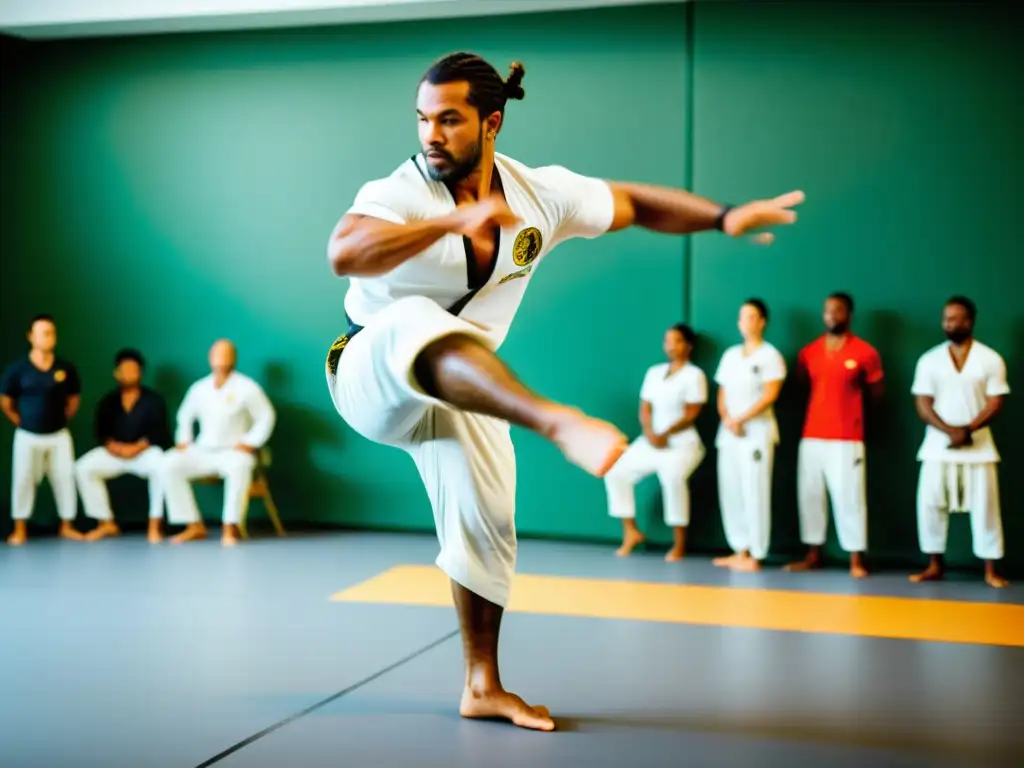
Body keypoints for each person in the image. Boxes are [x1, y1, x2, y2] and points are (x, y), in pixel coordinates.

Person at [324, 51, 803, 731]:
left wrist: (723, 217)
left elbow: (636, 204)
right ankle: (556, 422)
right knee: (411, 321)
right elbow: (343, 251)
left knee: (488, 517)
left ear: (491, 122)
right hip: (369, 368)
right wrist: (442, 225)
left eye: (450, 120)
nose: (431, 134)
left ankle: (483, 685)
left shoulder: (541, 194)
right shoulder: (399, 190)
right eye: (423, 119)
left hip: (468, 385)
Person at [909, 296, 1009, 588]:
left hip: (979, 447)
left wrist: (967, 430)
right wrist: (949, 431)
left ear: (971, 321)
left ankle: (990, 569)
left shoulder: (990, 359)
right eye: (948, 319)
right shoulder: (929, 359)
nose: (952, 324)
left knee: (987, 509)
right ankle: (934, 565)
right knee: (930, 506)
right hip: (937, 446)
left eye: (959, 318)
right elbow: (923, 403)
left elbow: (996, 402)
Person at [785, 293, 883, 578]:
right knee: (810, 495)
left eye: (838, 311)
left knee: (850, 497)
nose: (831, 316)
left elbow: (877, 395)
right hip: (812, 436)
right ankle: (813, 555)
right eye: (827, 311)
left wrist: (859, 423)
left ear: (849, 314)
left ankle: (855, 560)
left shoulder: (865, 352)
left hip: (847, 439)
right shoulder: (809, 352)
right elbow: (803, 388)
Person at [604, 323, 707, 561]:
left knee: (672, 478)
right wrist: (650, 432)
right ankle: (630, 532)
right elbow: (645, 407)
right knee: (616, 470)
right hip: (650, 441)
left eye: (677, 341)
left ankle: (679, 542)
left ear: (688, 346)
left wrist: (667, 433)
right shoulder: (654, 372)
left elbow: (692, 412)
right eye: (667, 341)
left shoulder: (695, 375)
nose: (671, 346)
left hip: (682, 445)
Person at [160, 339, 276, 547]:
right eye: (217, 354)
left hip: (233, 451)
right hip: (202, 450)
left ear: (234, 358)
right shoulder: (200, 388)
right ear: (210, 358)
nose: (221, 359)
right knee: (169, 463)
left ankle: (231, 526)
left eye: (226, 354)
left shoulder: (247, 387)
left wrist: (251, 442)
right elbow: (185, 415)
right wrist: (184, 440)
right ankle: (193, 524)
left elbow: (266, 416)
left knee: (240, 466)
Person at [711, 299, 787, 573]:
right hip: (729, 432)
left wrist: (742, 418)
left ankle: (756, 553)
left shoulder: (770, 355)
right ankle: (739, 549)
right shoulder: (731, 355)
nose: (745, 322)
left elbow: (770, 394)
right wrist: (729, 419)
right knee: (731, 490)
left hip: (756, 433)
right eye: (742, 316)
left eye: (751, 316)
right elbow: (722, 393)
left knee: (754, 490)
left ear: (763, 321)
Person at [0, 314, 84, 545]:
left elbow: (74, 399)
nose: (48, 337)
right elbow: (5, 402)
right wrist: (21, 420)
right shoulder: (17, 370)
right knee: (24, 479)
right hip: (27, 435)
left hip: (59, 435)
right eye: (43, 332)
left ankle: (67, 526)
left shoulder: (65, 368)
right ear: (31, 336)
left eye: (52, 333)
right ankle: (20, 529)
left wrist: (61, 418)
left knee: (65, 478)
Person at [74, 349, 173, 542]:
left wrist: (138, 447)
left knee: (163, 466)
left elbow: (161, 432)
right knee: (83, 468)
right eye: (124, 370)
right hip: (115, 453)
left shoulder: (153, 400)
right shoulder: (108, 401)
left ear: (141, 373)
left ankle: (155, 524)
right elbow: (100, 432)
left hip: (144, 453)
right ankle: (106, 522)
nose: (128, 374)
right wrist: (113, 447)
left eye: (133, 370)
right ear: (116, 373)